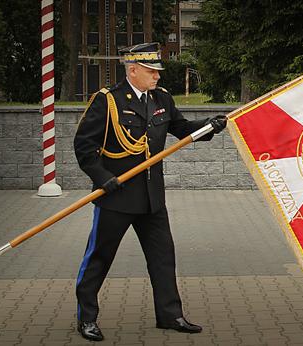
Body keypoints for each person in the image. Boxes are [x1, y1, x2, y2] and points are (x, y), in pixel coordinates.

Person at [73, 42, 226, 341]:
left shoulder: (162, 99)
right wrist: (102, 177)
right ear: (132, 70)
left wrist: (209, 126)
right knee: (99, 257)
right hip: (116, 196)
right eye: (150, 71)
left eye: (157, 71)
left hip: (152, 197)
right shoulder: (108, 101)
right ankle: (87, 317)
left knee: (163, 256)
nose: (157, 76)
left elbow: (181, 128)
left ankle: (170, 316)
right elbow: (84, 146)